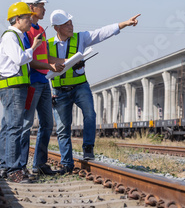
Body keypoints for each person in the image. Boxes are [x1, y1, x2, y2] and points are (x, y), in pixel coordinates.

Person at [48, 9, 140, 173]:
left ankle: (88, 148)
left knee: (90, 115)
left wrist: (124, 24)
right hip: (59, 91)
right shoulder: (47, 46)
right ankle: (66, 163)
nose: (71, 26)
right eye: (66, 24)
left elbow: (101, 33)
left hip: (80, 86)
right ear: (57, 28)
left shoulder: (80, 38)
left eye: (71, 23)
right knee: (63, 129)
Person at [19, 0, 65, 176]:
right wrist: (50, 65)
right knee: (26, 125)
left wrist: (61, 62)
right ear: (32, 7)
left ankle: (39, 164)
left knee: (47, 123)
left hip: (44, 82)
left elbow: (44, 55)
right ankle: (20, 166)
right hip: (31, 82)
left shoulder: (41, 31)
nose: (44, 10)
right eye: (42, 6)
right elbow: (29, 59)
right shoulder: (25, 31)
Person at [0, 2, 42, 183]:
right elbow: (20, 59)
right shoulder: (11, 37)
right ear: (17, 20)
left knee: (9, 127)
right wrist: (34, 47)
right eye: (27, 18)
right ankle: (14, 170)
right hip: (13, 88)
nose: (30, 21)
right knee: (14, 127)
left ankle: (7, 167)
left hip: (14, 87)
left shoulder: (14, 36)